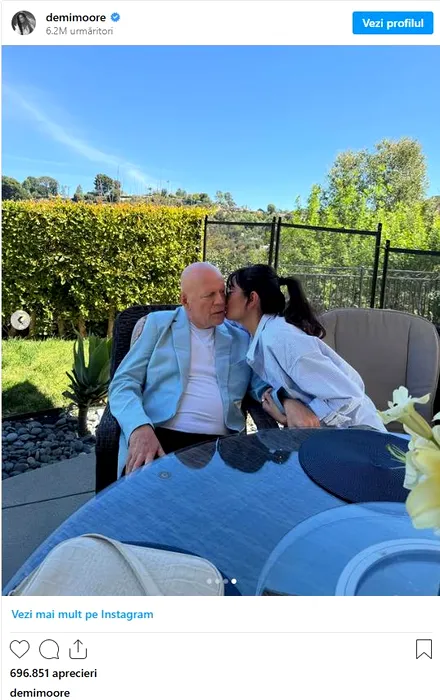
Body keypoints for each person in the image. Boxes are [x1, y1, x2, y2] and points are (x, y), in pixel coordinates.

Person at [109, 262, 267, 477]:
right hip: (161, 434)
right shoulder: (158, 325)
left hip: (221, 443)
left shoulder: (240, 336)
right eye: (209, 295)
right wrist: (139, 427)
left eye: (222, 292)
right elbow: (123, 383)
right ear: (185, 300)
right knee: (148, 493)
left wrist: (287, 401)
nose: (220, 301)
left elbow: (261, 385)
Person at [225, 264, 386, 433]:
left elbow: (346, 396)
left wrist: (300, 416)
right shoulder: (263, 337)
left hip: (359, 434)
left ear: (252, 299)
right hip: (333, 435)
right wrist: (287, 409)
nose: (224, 298)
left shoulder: (280, 339)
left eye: (230, 290)